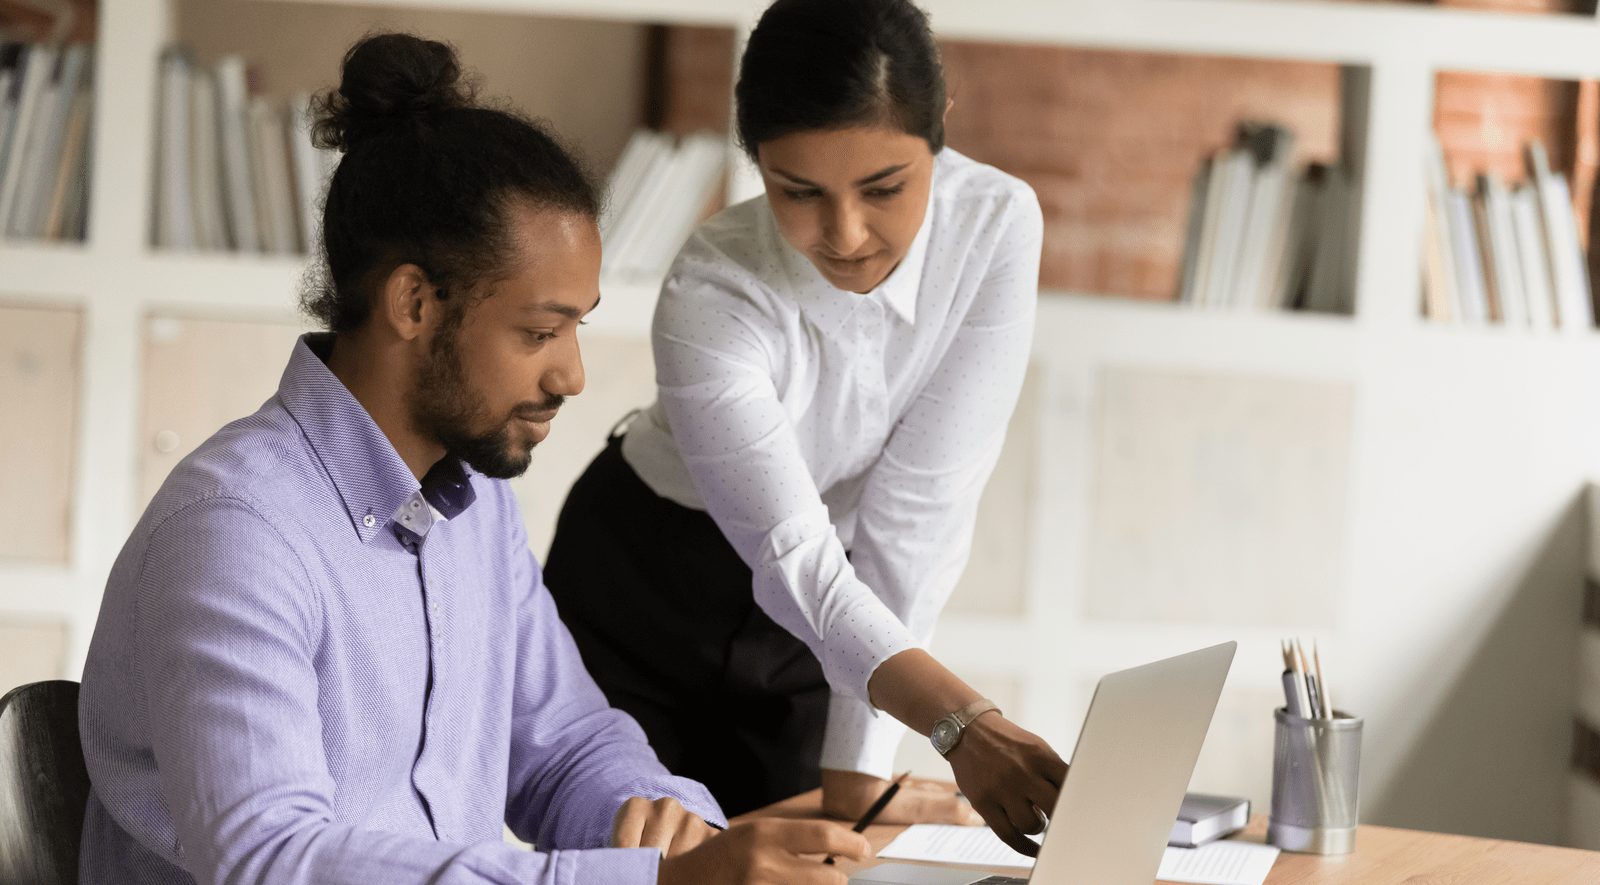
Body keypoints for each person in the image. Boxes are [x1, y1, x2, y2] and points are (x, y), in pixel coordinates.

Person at [76, 33, 869, 885]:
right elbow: (271, 860)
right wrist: (651, 882)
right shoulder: (236, 534)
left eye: (577, 326)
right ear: (414, 302)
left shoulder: (472, 506)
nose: (571, 373)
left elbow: (562, 743)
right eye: (538, 331)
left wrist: (659, 818)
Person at [544, 0, 1066, 855]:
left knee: (813, 860)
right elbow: (789, 552)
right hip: (644, 587)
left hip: (822, 618)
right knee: (649, 866)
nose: (848, 233)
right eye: (799, 192)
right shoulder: (711, 291)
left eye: (885, 187)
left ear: (939, 134)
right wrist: (962, 723)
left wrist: (864, 767)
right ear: (756, 167)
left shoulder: (997, 227)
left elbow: (918, 516)